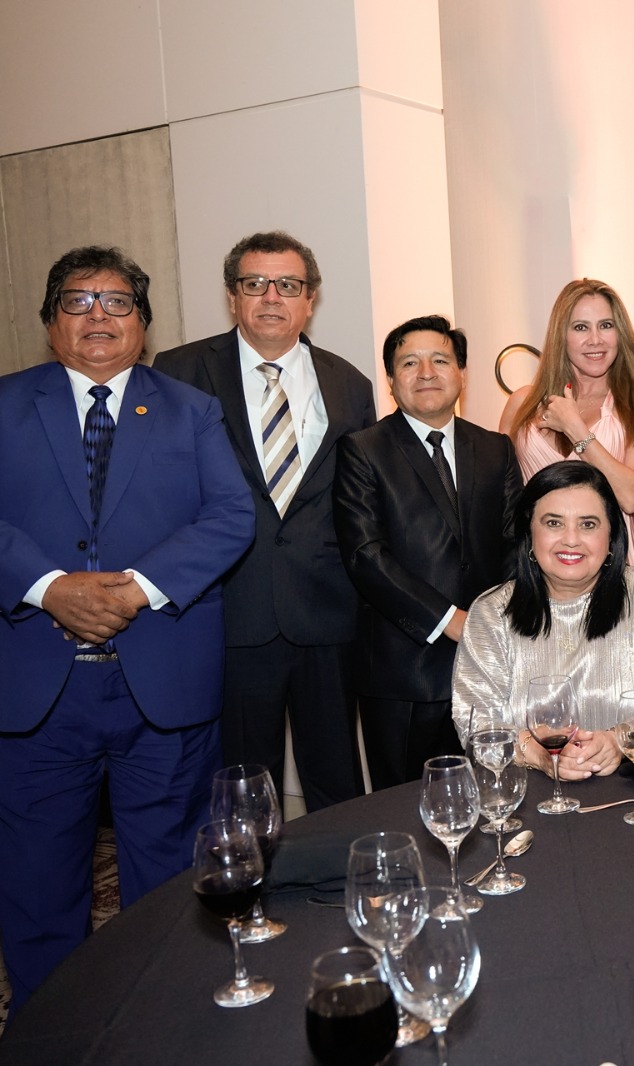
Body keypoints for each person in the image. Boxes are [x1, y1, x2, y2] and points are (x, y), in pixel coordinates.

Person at [0, 245, 254, 1012]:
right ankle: (54, 1032)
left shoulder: (192, 410)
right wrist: (51, 590)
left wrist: (135, 590)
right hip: (35, 689)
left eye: (117, 301)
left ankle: (162, 1024)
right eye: (77, 301)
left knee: (171, 880)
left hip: (161, 687)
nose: (98, 315)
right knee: (36, 883)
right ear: (51, 323)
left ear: (142, 323)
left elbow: (231, 515)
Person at [154, 231, 375, 811]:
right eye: (255, 283)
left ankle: (337, 869)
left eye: (288, 285)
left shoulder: (350, 383)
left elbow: (362, 502)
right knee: (243, 785)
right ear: (233, 296)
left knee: (336, 781)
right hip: (231, 607)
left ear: (310, 299)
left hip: (328, 612)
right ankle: (251, 874)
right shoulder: (179, 373)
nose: (271, 296)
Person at [334, 315, 521, 789]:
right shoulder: (363, 450)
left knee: (492, 796)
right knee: (404, 808)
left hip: (488, 667)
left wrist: (495, 622)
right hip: (402, 672)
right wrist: (449, 619)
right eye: (409, 363)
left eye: (440, 360)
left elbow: (515, 544)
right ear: (391, 380)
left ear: (462, 373)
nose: (426, 373)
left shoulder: (495, 448)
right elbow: (366, 555)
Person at [453, 463, 634, 778]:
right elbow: (476, 725)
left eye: (588, 524)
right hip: (529, 791)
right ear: (529, 534)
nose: (571, 540)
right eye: (553, 523)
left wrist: (619, 740)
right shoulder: (492, 612)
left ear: (611, 536)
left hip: (632, 785)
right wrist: (536, 753)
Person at [500, 278, 634, 570]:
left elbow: (631, 497)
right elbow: (500, 497)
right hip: (539, 568)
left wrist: (575, 428)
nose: (595, 340)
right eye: (580, 327)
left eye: (606, 325)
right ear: (561, 336)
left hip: (617, 567)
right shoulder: (522, 404)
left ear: (620, 333)